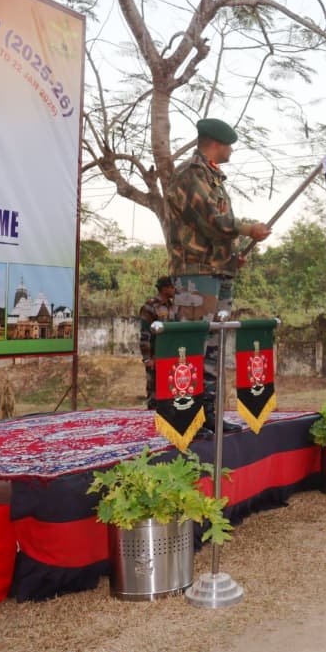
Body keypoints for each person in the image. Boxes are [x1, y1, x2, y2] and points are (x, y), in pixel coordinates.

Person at [165, 118, 271, 433]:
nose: (232, 150)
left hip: (217, 272)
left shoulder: (213, 178)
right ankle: (188, 417)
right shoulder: (190, 175)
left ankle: (208, 414)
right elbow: (212, 221)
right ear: (216, 143)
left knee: (214, 347)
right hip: (196, 273)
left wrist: (231, 258)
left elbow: (217, 230)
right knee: (194, 346)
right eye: (229, 145)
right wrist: (247, 228)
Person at [138, 276, 178, 409]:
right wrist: (147, 358)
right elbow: (145, 334)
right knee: (154, 394)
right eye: (172, 287)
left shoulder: (173, 306)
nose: (175, 289)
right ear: (165, 288)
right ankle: (152, 425)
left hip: (170, 355)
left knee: (170, 392)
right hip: (155, 356)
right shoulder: (150, 306)